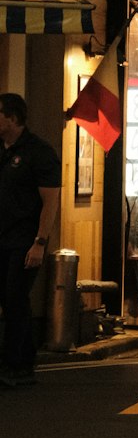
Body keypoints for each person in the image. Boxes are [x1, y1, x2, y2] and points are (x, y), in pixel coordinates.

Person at [0, 92, 60, 387]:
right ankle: (18, 358)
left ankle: (19, 365)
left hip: (25, 240)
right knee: (8, 300)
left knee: (15, 298)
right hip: (2, 236)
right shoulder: (3, 150)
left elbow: (50, 201)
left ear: (12, 118)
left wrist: (40, 241)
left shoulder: (39, 152)